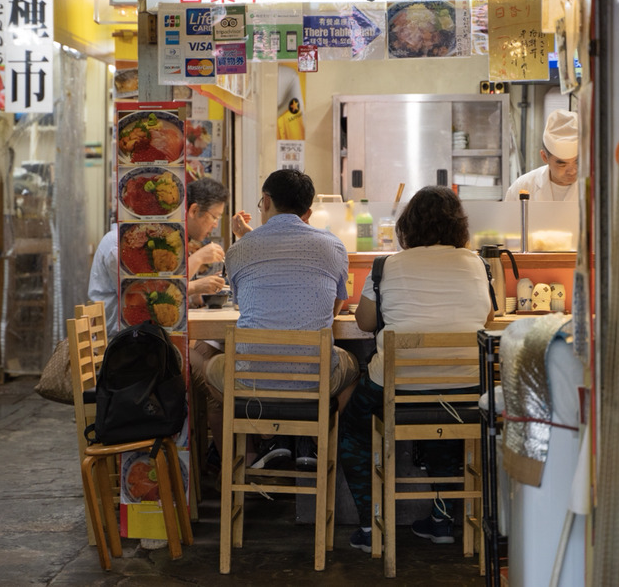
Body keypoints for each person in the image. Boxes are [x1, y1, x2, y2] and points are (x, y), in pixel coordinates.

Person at [338, 186, 494, 553]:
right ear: (459, 227)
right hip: (465, 387)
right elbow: (487, 316)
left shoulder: (386, 266)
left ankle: (369, 525)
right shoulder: (477, 263)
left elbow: (363, 322)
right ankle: (441, 521)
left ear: (408, 225)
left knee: (351, 431)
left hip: (398, 385)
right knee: (447, 421)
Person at [198, 169, 361, 468]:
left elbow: (244, 299)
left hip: (253, 380)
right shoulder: (333, 245)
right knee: (353, 370)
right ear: (308, 213)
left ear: (266, 200)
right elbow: (336, 306)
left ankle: (250, 457)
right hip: (315, 380)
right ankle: (317, 448)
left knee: (210, 367)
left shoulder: (239, 248)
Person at [87, 177, 251, 337]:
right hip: (124, 343)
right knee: (213, 360)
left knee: (213, 353)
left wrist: (198, 293)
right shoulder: (119, 245)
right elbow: (150, 297)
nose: (215, 224)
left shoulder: (162, 241)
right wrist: (197, 263)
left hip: (153, 337)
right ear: (193, 211)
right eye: (214, 217)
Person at [504, 109, 579, 202]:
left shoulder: (596, 188)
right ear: (544, 157)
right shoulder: (523, 187)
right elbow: (507, 216)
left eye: (577, 162)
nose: (572, 171)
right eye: (562, 164)